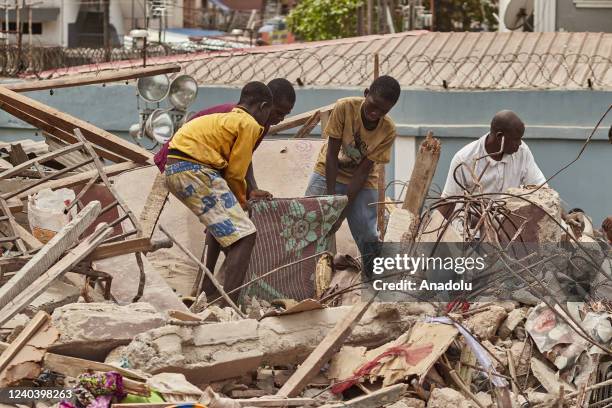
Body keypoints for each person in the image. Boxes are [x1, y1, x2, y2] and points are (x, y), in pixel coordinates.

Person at [164, 81, 273, 303]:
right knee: (246, 236)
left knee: (227, 230)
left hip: (175, 169)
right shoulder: (249, 124)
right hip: (195, 170)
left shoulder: (225, 117)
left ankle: (209, 290)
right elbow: (235, 173)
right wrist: (242, 201)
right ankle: (228, 302)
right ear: (263, 107)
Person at [304, 75, 401, 260]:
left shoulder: (388, 130)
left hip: (361, 179)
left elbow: (363, 171)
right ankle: (306, 268)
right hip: (329, 169)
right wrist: (332, 200)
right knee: (310, 219)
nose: (375, 113)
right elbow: (332, 154)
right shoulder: (345, 107)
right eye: (373, 105)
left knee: (368, 234)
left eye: (383, 110)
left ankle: (373, 277)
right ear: (366, 94)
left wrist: (341, 213)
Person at [440, 110, 546, 218]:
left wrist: (562, 217)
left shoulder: (522, 151)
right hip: (471, 229)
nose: (519, 143)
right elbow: (448, 202)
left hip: (508, 227)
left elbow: (542, 190)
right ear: (500, 137)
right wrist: (430, 231)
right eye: (516, 139)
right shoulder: (464, 159)